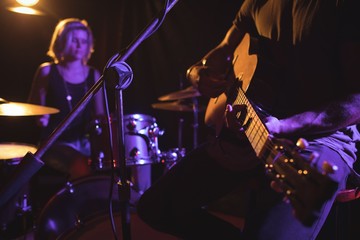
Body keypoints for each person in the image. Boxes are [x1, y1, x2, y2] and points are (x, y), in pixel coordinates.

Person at [137, 1, 360, 239]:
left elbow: (356, 100)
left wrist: (283, 125)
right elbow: (223, 50)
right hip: (251, 131)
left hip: (321, 141)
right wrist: (197, 73)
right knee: (156, 207)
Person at [28, 18, 105, 181]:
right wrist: (40, 118)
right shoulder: (47, 71)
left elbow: (100, 115)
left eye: (83, 41)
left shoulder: (94, 74)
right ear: (61, 41)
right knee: (79, 163)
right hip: (54, 143)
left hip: (85, 141)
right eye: (74, 40)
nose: (79, 45)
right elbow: (33, 109)